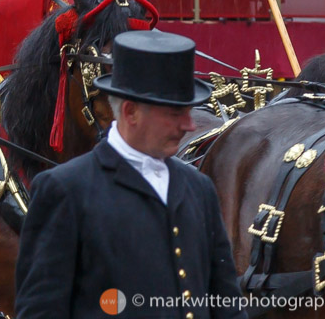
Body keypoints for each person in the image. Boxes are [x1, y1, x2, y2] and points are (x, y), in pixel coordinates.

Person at [15, 30, 245, 319]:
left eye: (188, 111)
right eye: (175, 114)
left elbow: (227, 306)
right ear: (131, 111)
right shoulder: (65, 190)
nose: (189, 125)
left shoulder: (199, 188)